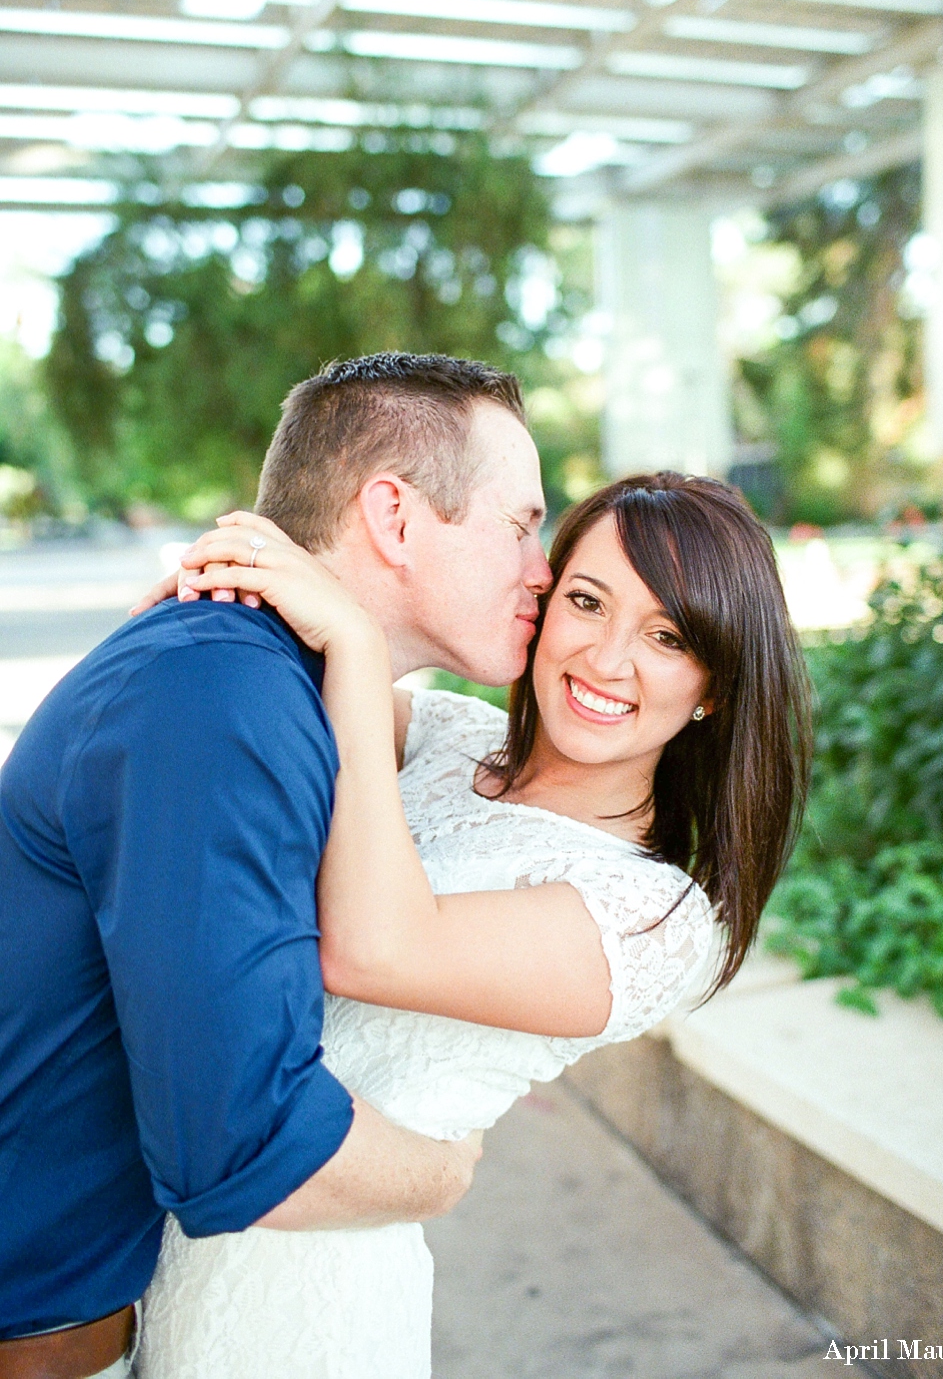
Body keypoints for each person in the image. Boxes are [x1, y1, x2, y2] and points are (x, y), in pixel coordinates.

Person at [130, 462, 810, 1377]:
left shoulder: (657, 919)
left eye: (665, 636)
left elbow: (372, 949)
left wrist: (359, 648)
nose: (606, 659)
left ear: (714, 686)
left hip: (298, 1293)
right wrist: (219, 583)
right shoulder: (443, 737)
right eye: (586, 601)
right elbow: (232, 683)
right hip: (152, 1206)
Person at [0, 353, 596, 1377]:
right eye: (520, 522)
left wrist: (355, 650)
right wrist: (442, 1171)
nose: (541, 566)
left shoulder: (270, 678)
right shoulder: (219, 692)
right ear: (395, 517)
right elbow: (240, 1145)